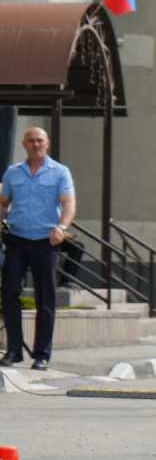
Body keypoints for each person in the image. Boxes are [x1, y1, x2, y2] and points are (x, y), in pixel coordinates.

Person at [0, 127, 76, 371]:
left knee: (45, 299)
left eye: (40, 140)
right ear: (24, 144)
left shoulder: (60, 172)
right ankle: (13, 351)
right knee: (10, 293)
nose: (36, 144)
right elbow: (4, 203)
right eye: (31, 141)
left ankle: (41, 355)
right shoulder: (13, 173)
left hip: (47, 241)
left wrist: (62, 227)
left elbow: (68, 204)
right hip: (17, 240)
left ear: (47, 143)